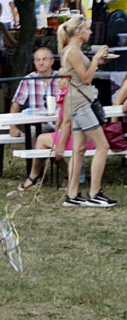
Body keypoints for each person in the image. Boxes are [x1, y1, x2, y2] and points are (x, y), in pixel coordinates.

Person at [58, 16, 115, 207]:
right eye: (88, 29)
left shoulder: (72, 51)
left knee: (79, 149)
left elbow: (81, 73)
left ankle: (72, 195)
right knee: (103, 146)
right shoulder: (73, 51)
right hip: (81, 105)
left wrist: (99, 60)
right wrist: (96, 58)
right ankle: (95, 193)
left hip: (75, 104)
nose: (91, 32)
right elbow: (86, 78)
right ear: (78, 32)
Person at [8, 47, 60, 140]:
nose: (41, 63)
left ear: (52, 61)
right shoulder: (28, 80)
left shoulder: (61, 78)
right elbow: (16, 104)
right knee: (34, 131)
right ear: (34, 62)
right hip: (38, 124)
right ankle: (36, 155)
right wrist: (13, 127)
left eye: (44, 59)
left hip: (61, 123)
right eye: (38, 60)